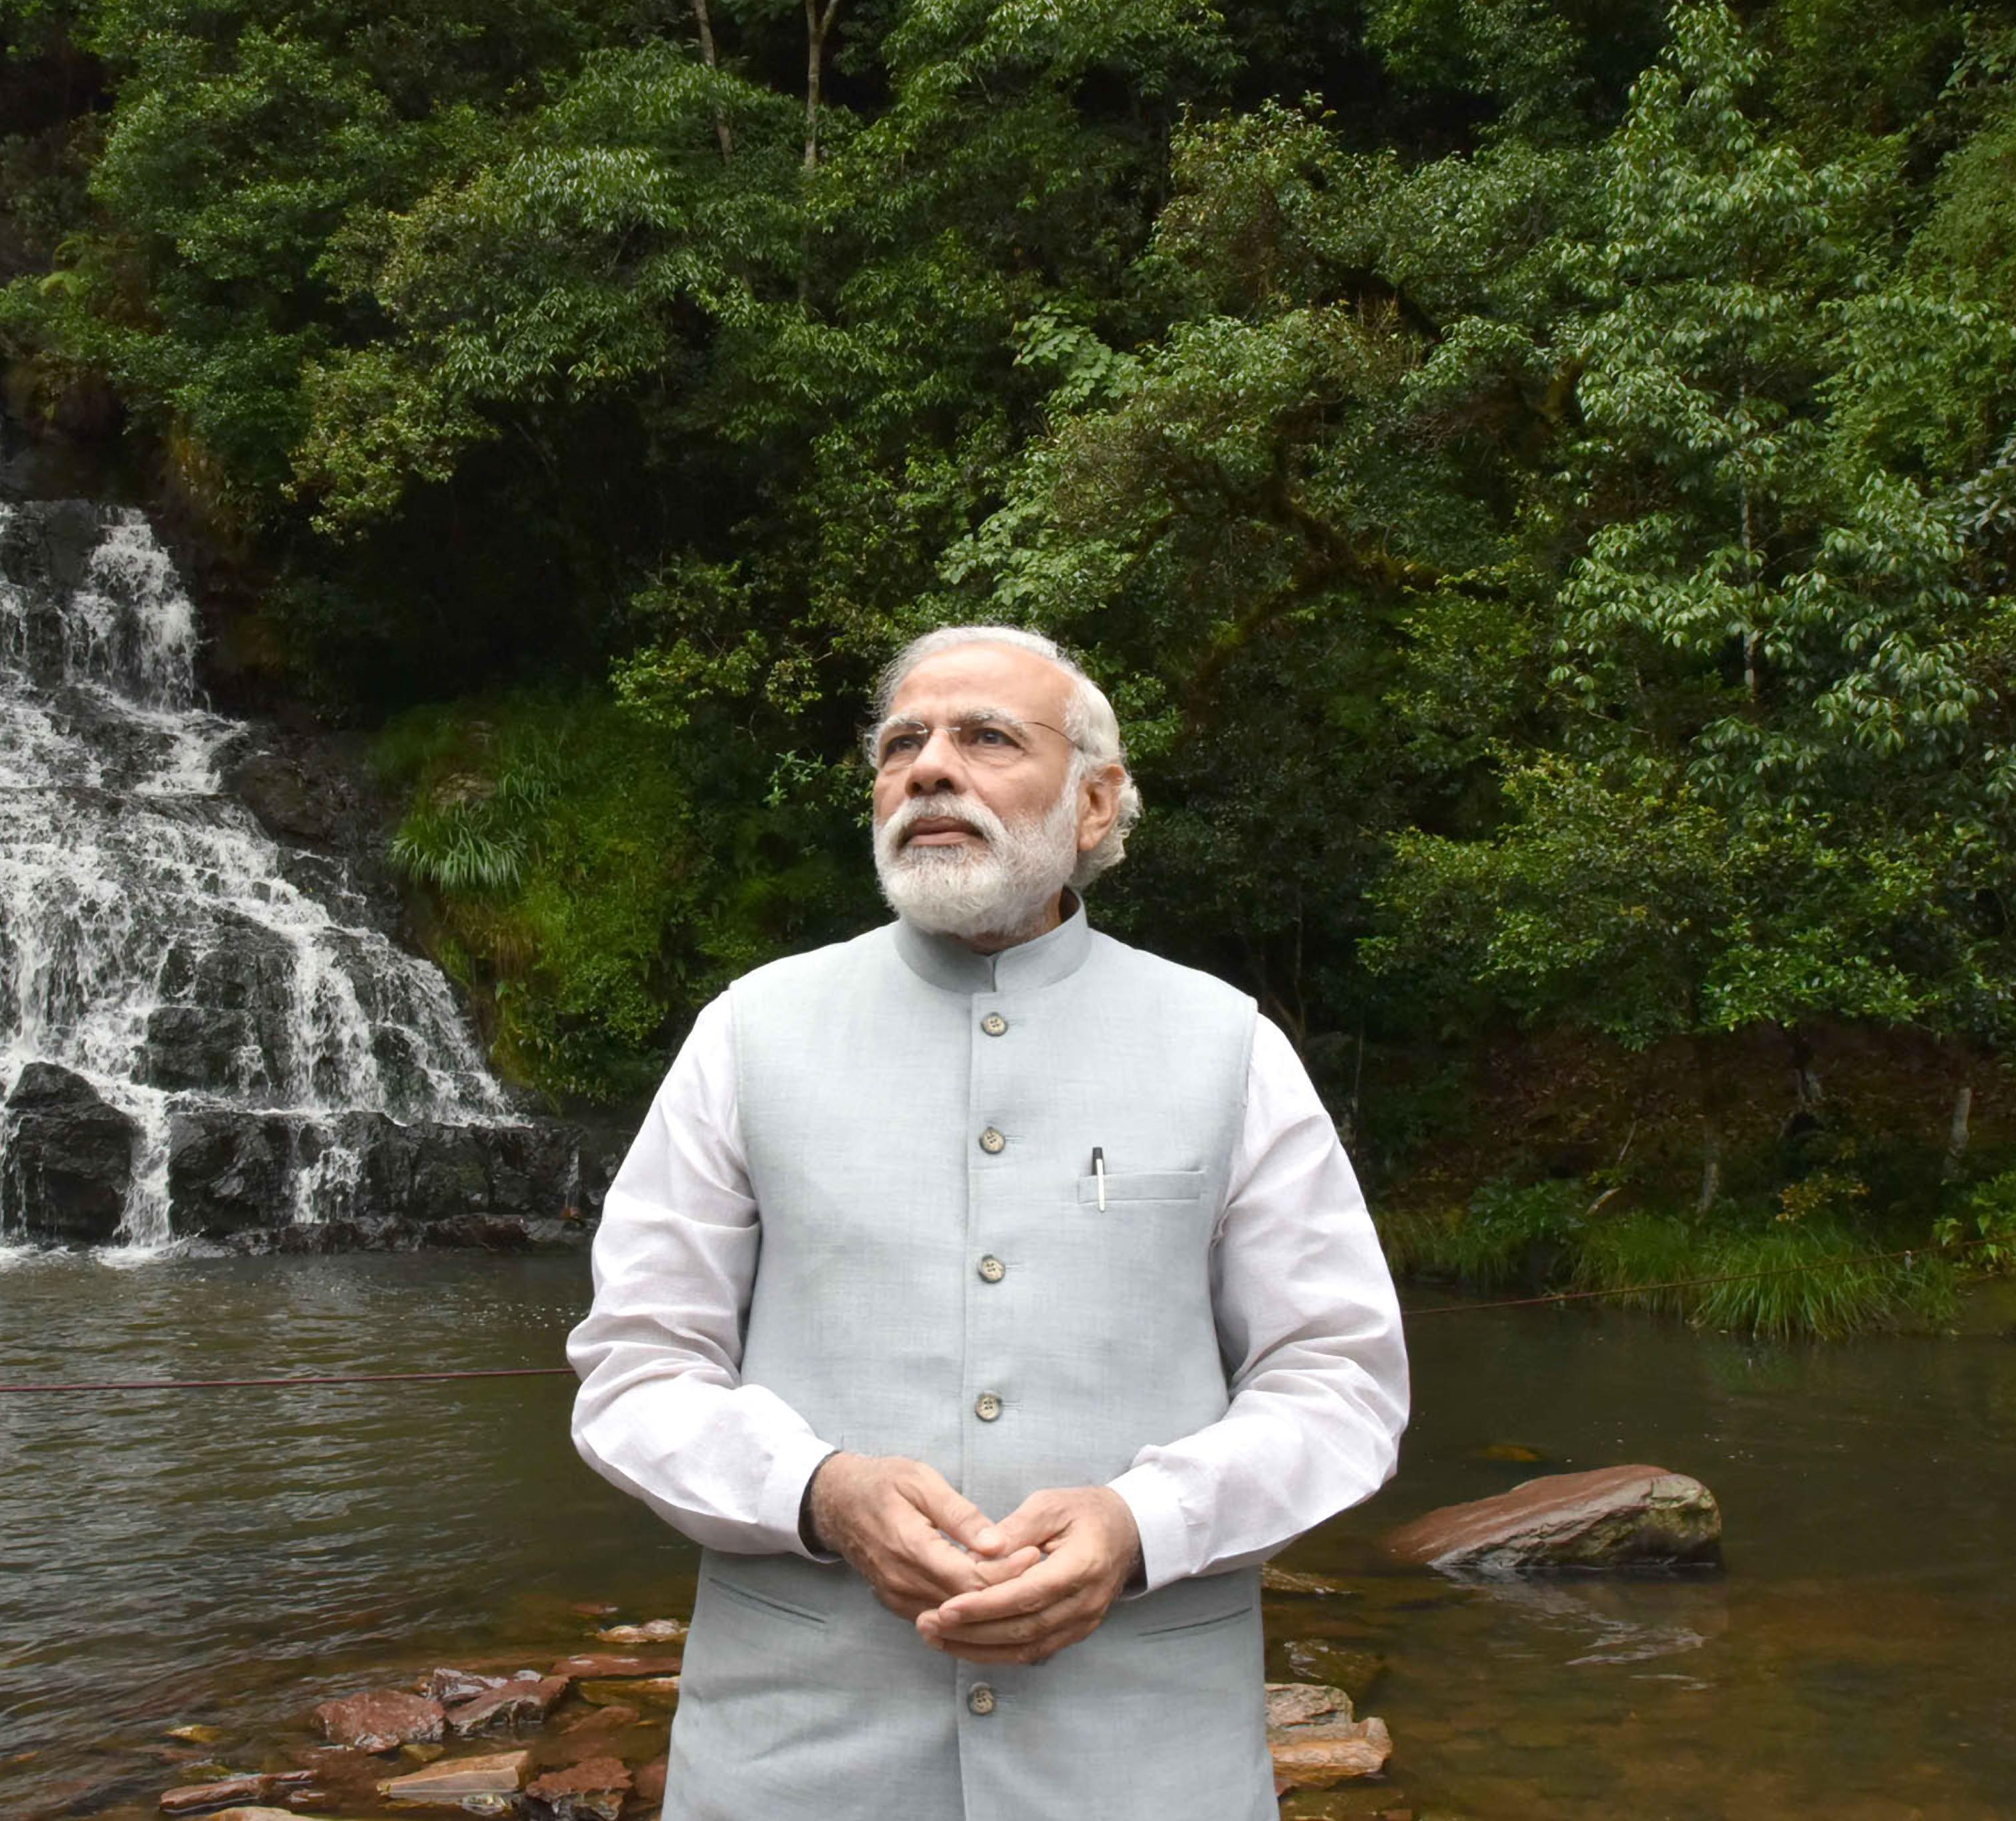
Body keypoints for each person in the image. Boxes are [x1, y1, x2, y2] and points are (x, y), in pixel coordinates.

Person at [567, 624, 1409, 1820]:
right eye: (903, 742)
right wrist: (816, 1492)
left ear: (1098, 804)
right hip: (795, 1767)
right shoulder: (747, 1033)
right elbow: (635, 1369)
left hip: (1145, 1770)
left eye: (988, 738)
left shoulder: (1230, 1047)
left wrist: (1143, 1523)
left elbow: (1341, 1380)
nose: (930, 767)